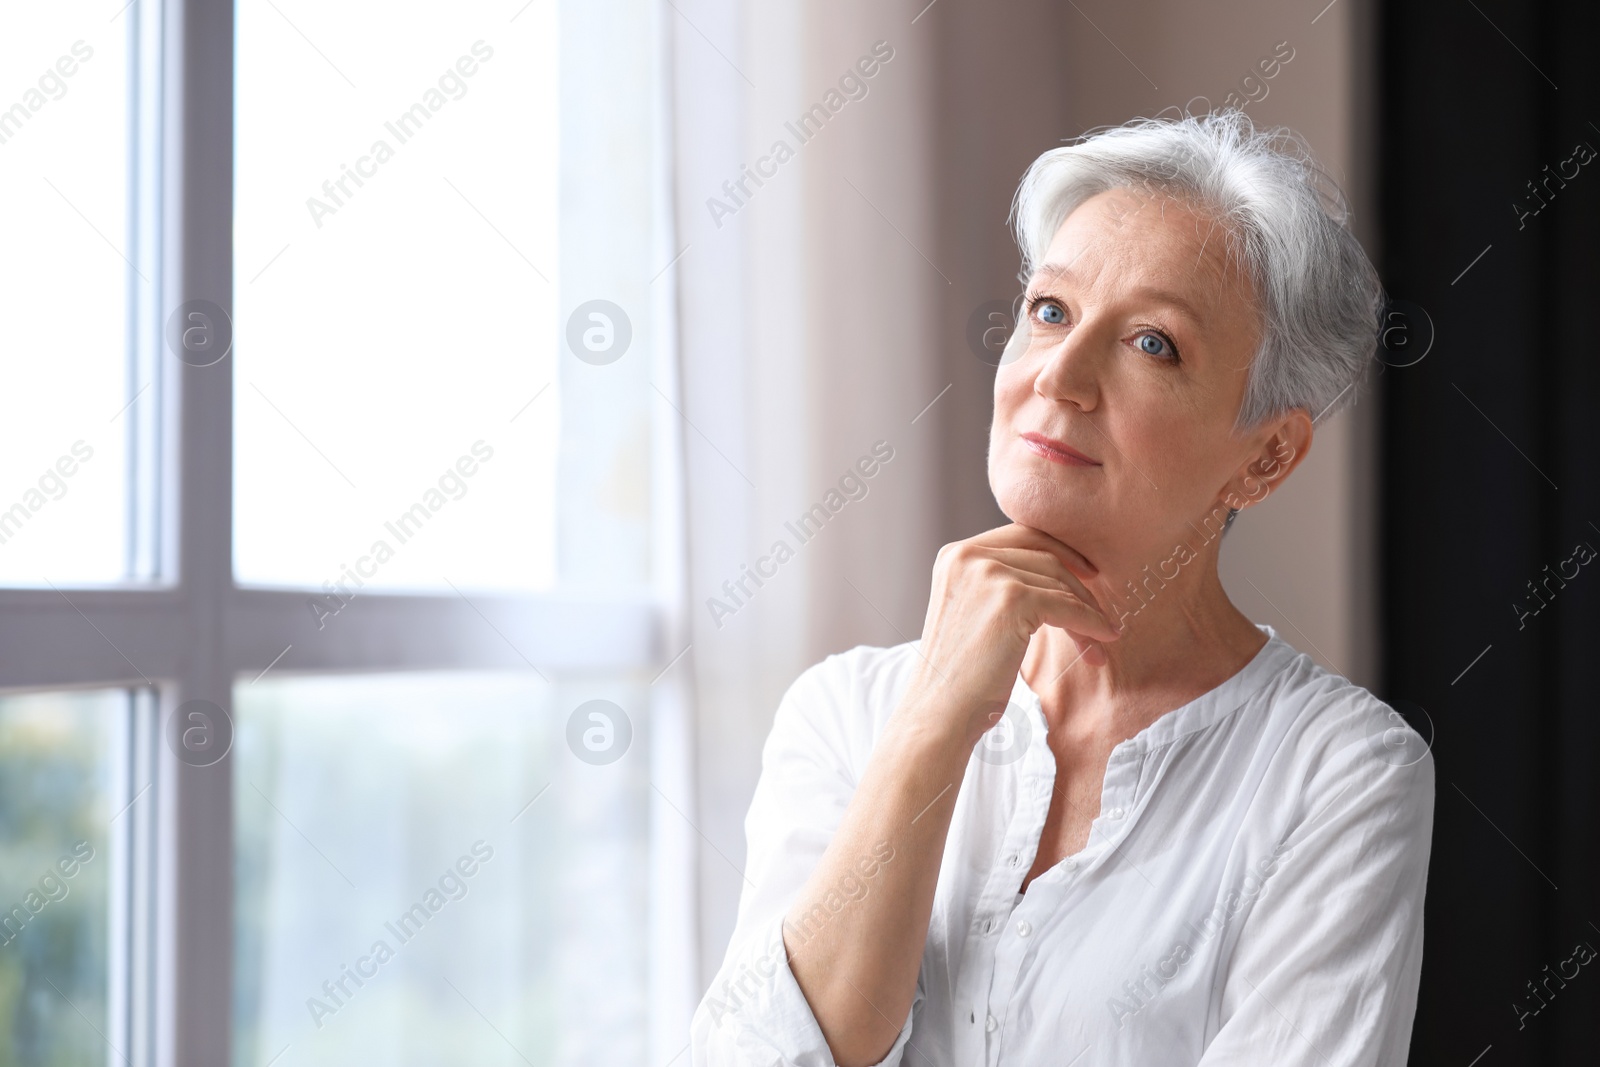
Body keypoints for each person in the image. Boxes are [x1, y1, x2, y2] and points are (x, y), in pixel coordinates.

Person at [690, 110, 1435, 1067]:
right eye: (1051, 310)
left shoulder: (1340, 773)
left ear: (1266, 455)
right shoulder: (845, 714)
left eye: (1152, 344)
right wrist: (933, 727)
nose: (1062, 375)